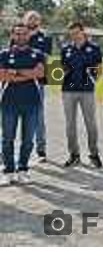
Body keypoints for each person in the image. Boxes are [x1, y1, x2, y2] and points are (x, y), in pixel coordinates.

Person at [0, 23, 46, 185]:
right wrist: (27, 73)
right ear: (12, 35)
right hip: (9, 102)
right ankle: (8, 171)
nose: (21, 36)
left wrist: (16, 72)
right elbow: (3, 76)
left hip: (32, 102)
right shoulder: (4, 54)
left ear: (29, 36)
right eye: (17, 33)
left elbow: (39, 73)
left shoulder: (37, 54)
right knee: (7, 139)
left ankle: (23, 169)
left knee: (28, 140)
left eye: (24, 34)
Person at [61, 22, 103, 168]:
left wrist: (94, 79)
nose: (74, 36)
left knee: (91, 124)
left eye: (77, 33)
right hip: (68, 90)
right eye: (71, 34)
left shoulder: (94, 48)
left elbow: (99, 68)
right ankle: (74, 154)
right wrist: (62, 72)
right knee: (70, 125)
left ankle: (94, 153)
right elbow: (63, 68)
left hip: (87, 91)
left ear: (82, 32)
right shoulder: (66, 49)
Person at [22, 11, 52, 161]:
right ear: (25, 20)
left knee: (38, 115)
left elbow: (44, 58)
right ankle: (10, 150)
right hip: (19, 81)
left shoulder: (45, 37)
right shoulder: (19, 34)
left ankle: (41, 149)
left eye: (36, 18)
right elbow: (12, 55)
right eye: (30, 18)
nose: (33, 20)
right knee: (14, 114)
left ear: (39, 21)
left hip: (37, 81)